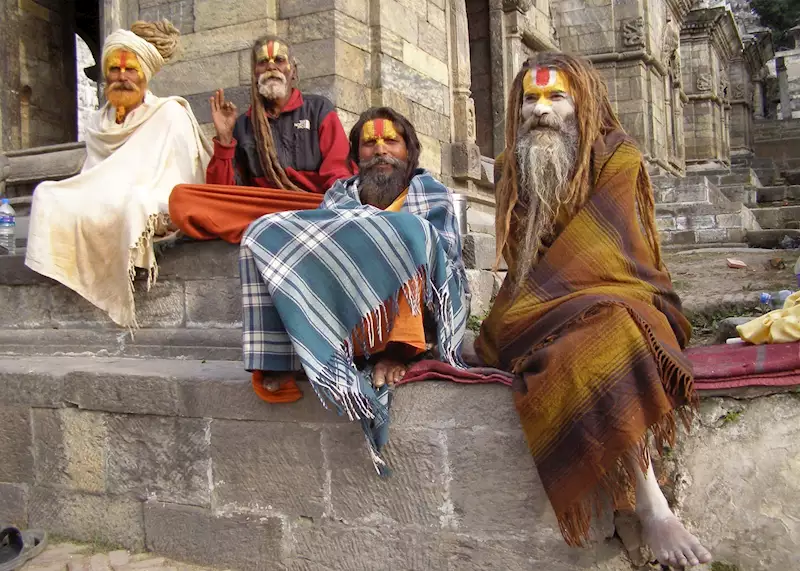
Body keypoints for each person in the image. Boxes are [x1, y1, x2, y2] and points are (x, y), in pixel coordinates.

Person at [474, 53, 713, 568]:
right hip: (536, 305)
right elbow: (519, 264)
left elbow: (609, 252)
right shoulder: (511, 167)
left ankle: (650, 503)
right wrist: (528, 307)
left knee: (608, 333)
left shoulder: (618, 156)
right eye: (530, 100)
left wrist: (555, 299)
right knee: (523, 339)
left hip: (621, 291)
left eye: (555, 97)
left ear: (582, 103)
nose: (540, 110)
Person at [239, 107, 467, 473]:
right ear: (355, 155)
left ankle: (397, 353)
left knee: (409, 232)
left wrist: (384, 235)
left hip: (413, 315)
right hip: (351, 313)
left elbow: (446, 259)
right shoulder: (338, 197)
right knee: (260, 232)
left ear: (409, 151)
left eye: (391, 141)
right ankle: (287, 357)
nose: (381, 150)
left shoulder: (431, 194)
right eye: (369, 143)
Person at [25, 20, 212, 328]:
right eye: (114, 70)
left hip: (151, 196)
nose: (122, 77)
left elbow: (181, 177)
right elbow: (95, 176)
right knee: (46, 194)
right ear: (105, 74)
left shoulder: (169, 113)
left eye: (131, 71)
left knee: (136, 203)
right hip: (101, 196)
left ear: (145, 76)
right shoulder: (98, 123)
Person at [168, 35, 353, 244]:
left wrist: (338, 208)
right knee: (182, 198)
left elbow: (338, 172)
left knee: (340, 201)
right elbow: (226, 192)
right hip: (262, 208)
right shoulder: (244, 125)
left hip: (311, 205)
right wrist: (225, 139)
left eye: (279, 60)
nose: (271, 67)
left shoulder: (318, 109)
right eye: (263, 62)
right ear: (254, 73)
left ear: (293, 70)